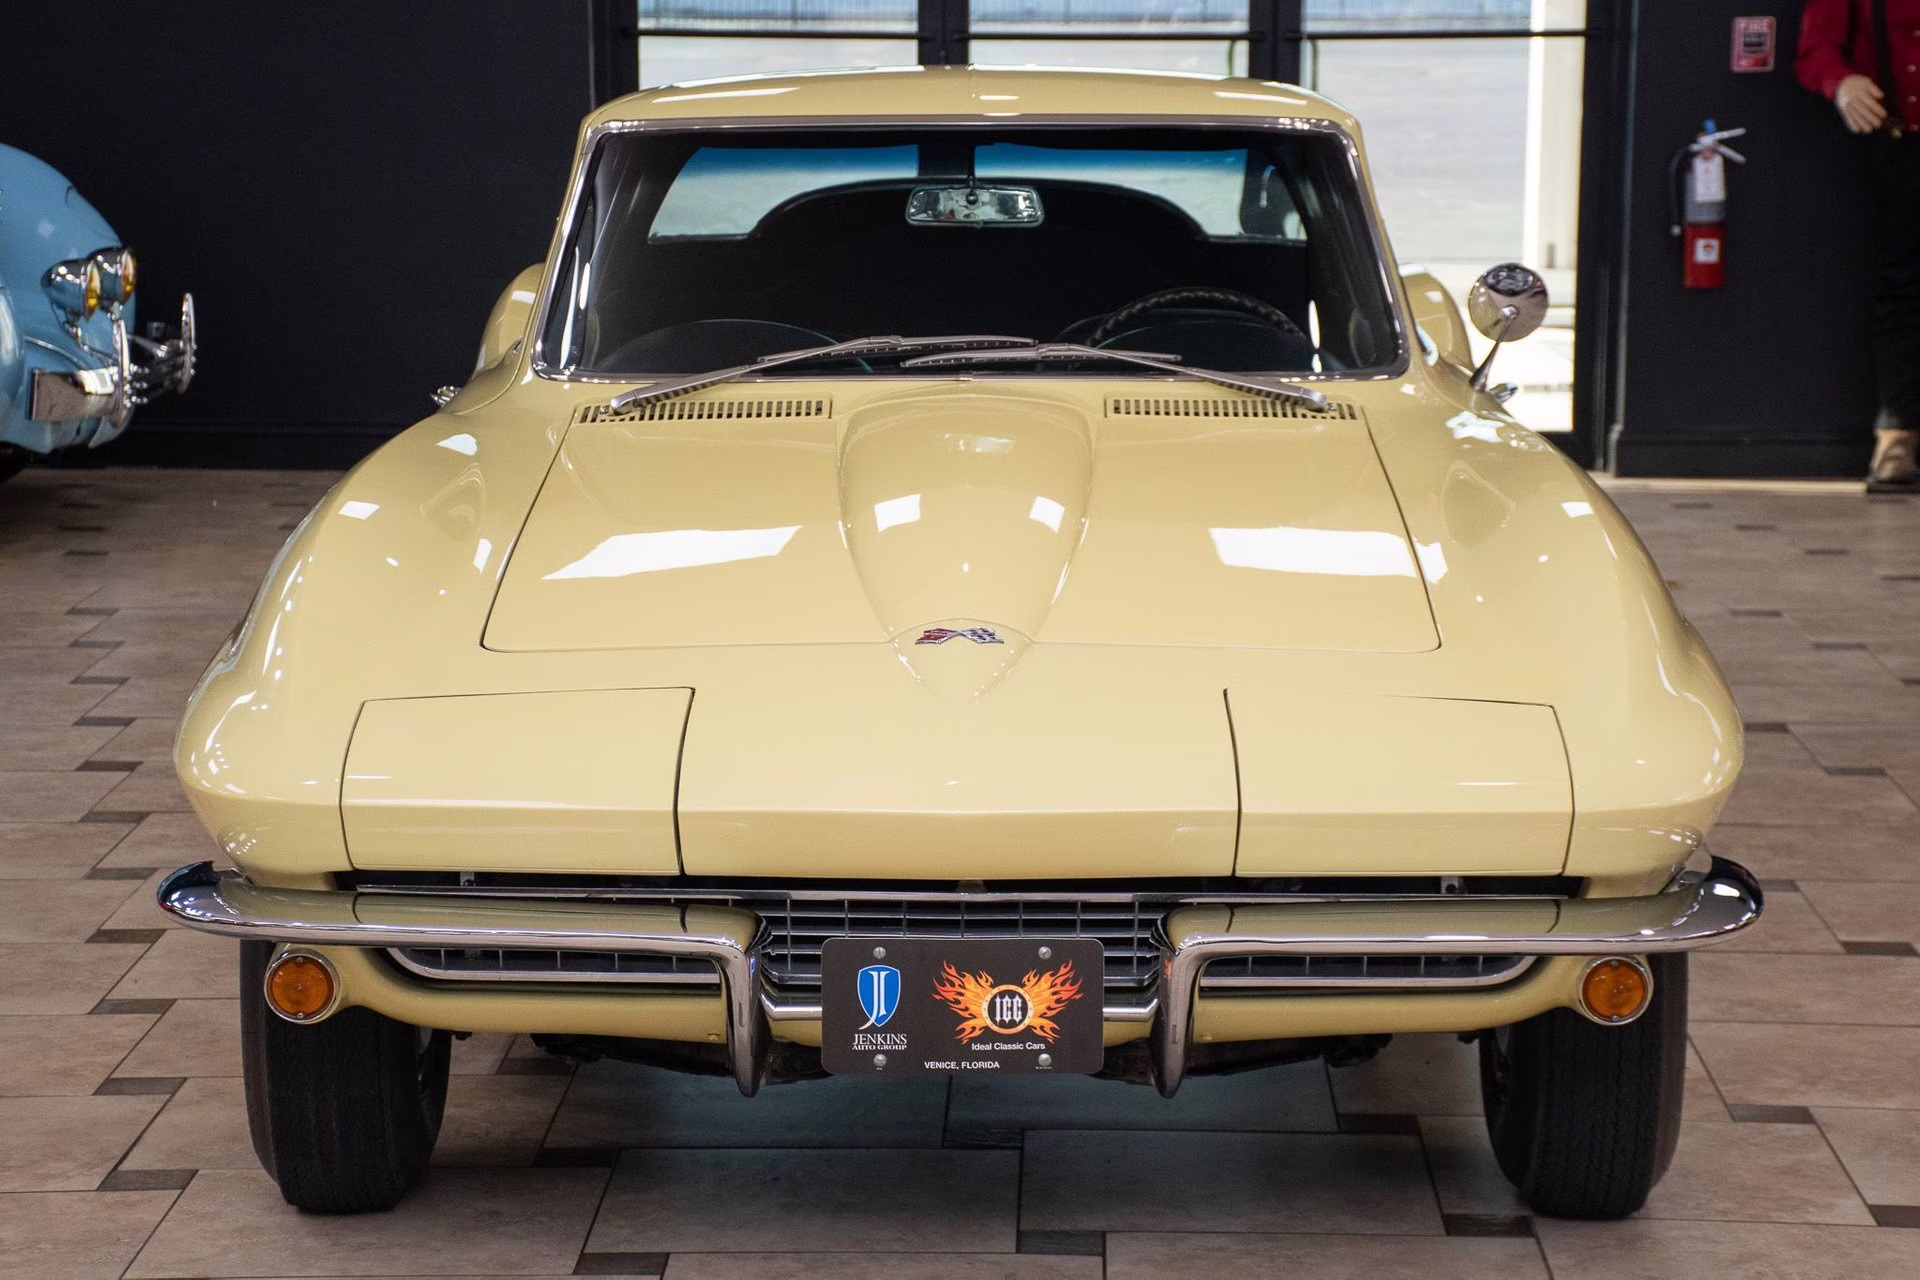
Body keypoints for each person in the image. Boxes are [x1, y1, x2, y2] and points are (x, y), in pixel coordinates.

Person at [1801, 0, 1920, 485]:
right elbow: (1815, 50)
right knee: (1902, 287)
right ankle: (1899, 436)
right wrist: (1841, 81)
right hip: (1901, 145)